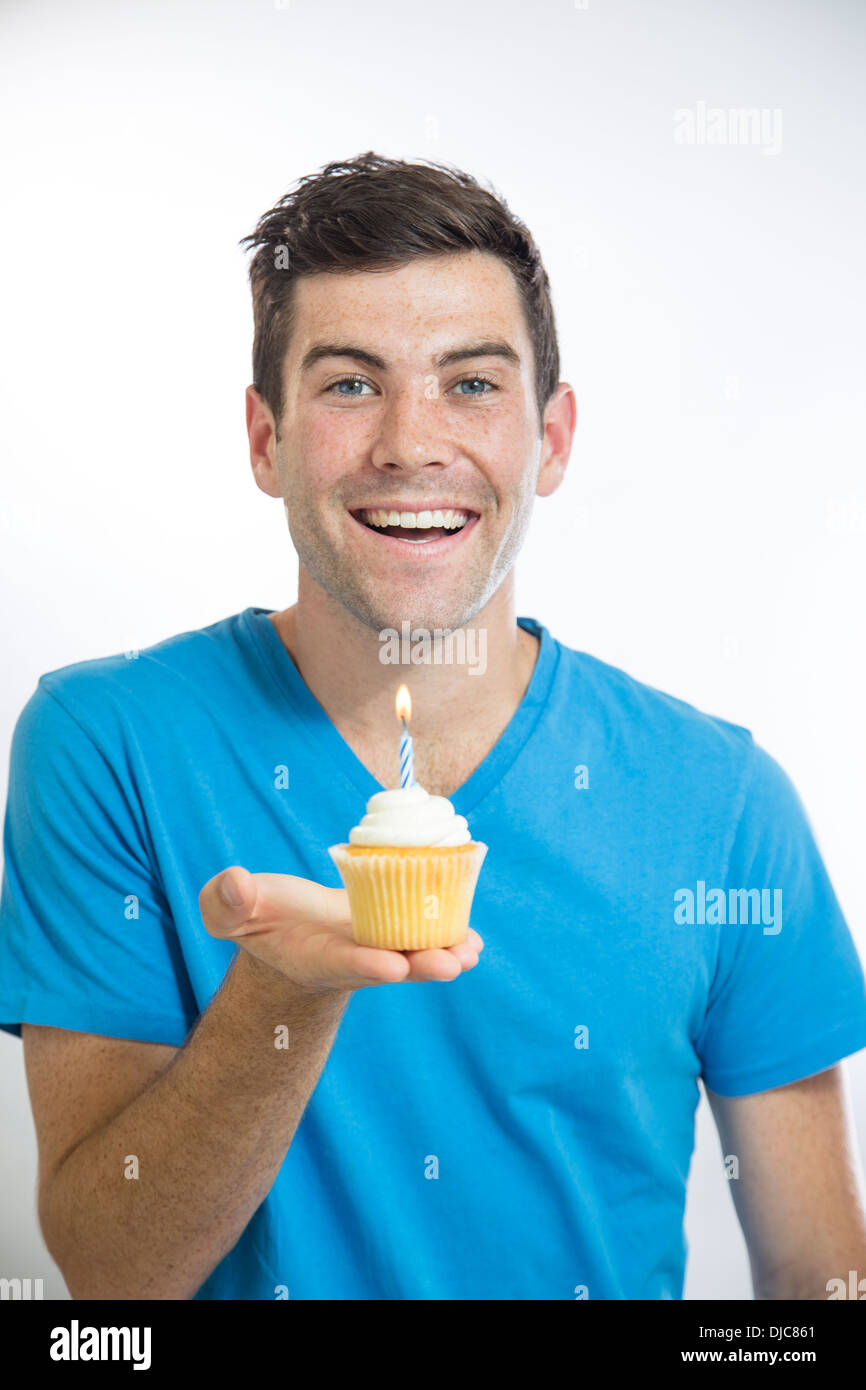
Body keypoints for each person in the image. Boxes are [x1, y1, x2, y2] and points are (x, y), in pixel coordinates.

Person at [2, 151, 865, 1301]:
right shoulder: (103, 743)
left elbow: (820, 1288)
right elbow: (110, 1273)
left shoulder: (721, 800)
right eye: (350, 384)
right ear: (264, 440)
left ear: (550, 440)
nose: (410, 443)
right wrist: (283, 996)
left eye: (470, 384)